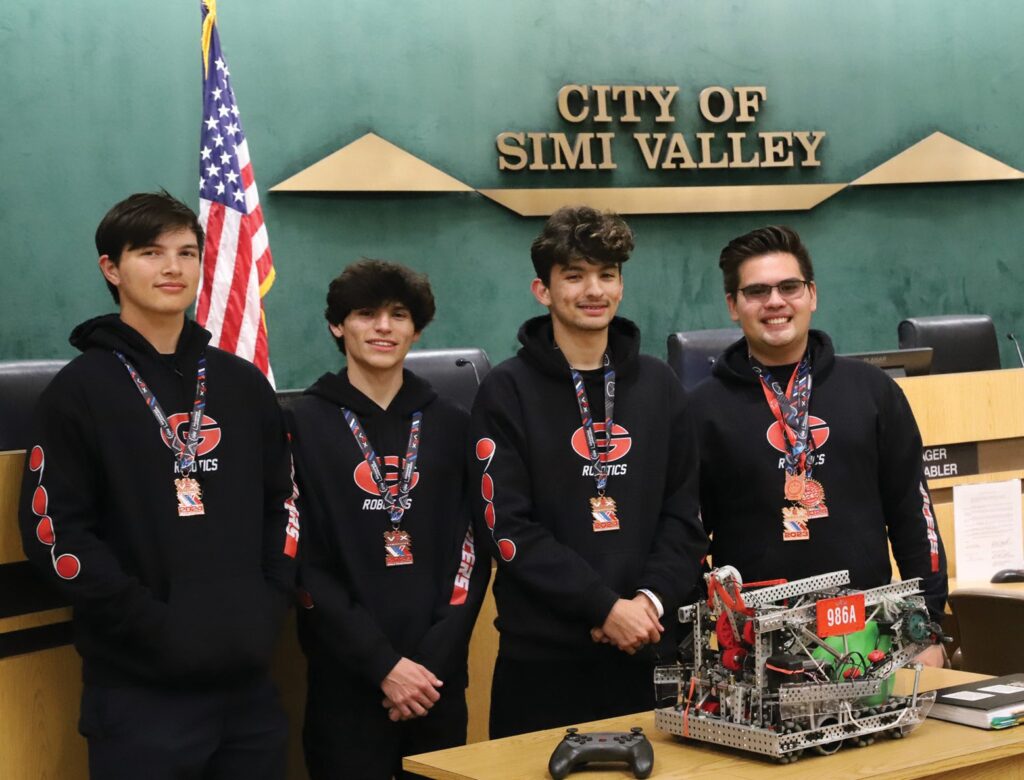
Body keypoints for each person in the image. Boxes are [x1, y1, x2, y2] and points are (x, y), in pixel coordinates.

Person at [18, 191, 300, 779]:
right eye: (150, 252)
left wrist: (267, 601)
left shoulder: (242, 385)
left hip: (247, 685)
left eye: (186, 252)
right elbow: (56, 534)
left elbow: (286, 502)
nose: (173, 267)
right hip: (140, 692)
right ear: (112, 269)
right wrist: (154, 627)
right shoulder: (78, 392)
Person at [470, 206, 708, 739]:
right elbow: (506, 528)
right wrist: (603, 607)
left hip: (651, 648)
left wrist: (645, 604)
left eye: (606, 274)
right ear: (543, 290)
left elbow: (685, 514)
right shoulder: (505, 392)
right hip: (544, 663)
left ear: (621, 284)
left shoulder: (659, 384)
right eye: (574, 276)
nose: (593, 290)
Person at [689, 225, 947, 664]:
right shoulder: (700, 410)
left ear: (812, 295)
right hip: (761, 653)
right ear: (734, 305)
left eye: (789, 286)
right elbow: (687, 537)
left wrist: (928, 628)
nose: (775, 301)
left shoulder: (873, 392)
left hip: (871, 639)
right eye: (756, 291)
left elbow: (913, 514)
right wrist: (714, 639)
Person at [285, 259, 489, 779]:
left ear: (416, 328)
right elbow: (303, 559)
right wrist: (383, 666)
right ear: (337, 325)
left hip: (437, 680)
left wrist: (430, 663)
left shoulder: (452, 424)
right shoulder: (300, 426)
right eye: (365, 313)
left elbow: (472, 548)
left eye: (399, 315)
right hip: (346, 680)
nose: (383, 327)